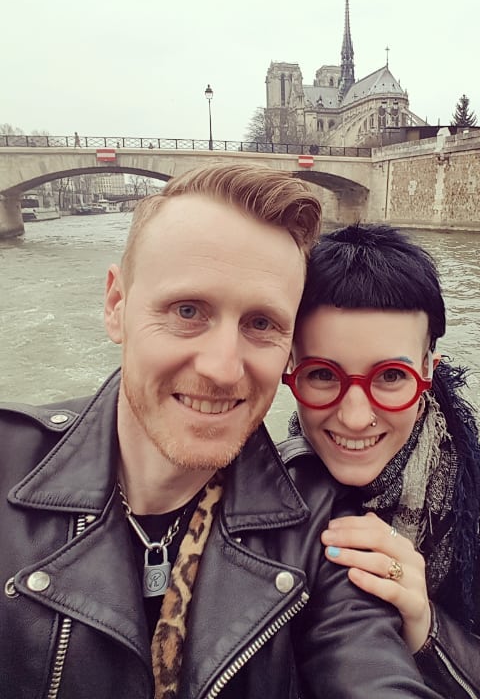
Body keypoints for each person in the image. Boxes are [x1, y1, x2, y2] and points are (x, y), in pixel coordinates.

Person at [0, 168, 440, 699]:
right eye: (188, 311)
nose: (223, 368)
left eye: (260, 323)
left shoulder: (320, 526)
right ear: (116, 306)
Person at [280, 223, 480, 699]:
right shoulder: (265, 496)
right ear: (290, 367)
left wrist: (428, 630)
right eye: (323, 374)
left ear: (430, 368)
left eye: (390, 376)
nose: (354, 416)